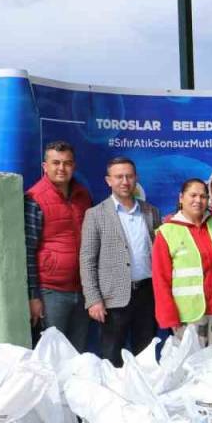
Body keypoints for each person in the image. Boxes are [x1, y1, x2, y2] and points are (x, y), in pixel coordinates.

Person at [79, 156, 161, 366]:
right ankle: (116, 398)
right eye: (119, 177)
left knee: (147, 355)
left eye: (129, 176)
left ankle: (145, 396)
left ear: (136, 179)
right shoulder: (95, 214)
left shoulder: (150, 212)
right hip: (112, 298)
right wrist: (93, 299)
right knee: (111, 356)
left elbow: (159, 254)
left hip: (147, 294)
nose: (124, 181)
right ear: (108, 180)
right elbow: (87, 260)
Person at [25, 141, 93, 351]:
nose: (61, 168)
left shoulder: (83, 196)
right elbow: (27, 251)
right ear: (45, 166)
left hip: (82, 290)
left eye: (67, 163)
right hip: (50, 292)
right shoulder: (34, 198)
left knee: (77, 353)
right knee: (52, 354)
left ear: (74, 166)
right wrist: (33, 297)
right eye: (56, 163)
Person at [151, 178, 212, 346]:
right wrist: (169, 316)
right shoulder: (167, 231)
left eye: (203, 196)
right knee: (191, 367)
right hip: (186, 316)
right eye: (193, 195)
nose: (198, 200)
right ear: (181, 198)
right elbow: (161, 279)